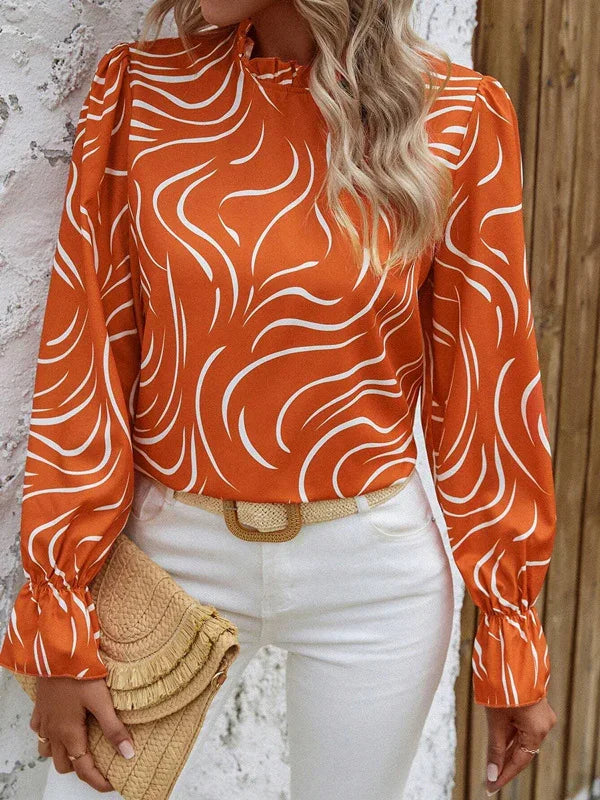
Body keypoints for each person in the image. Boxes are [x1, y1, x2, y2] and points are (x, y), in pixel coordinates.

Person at [0, 1, 558, 798]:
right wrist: (59, 615)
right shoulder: (143, 95)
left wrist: (511, 635)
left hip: (374, 577)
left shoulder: (461, 116)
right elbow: (85, 355)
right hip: (172, 557)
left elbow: (488, 388)